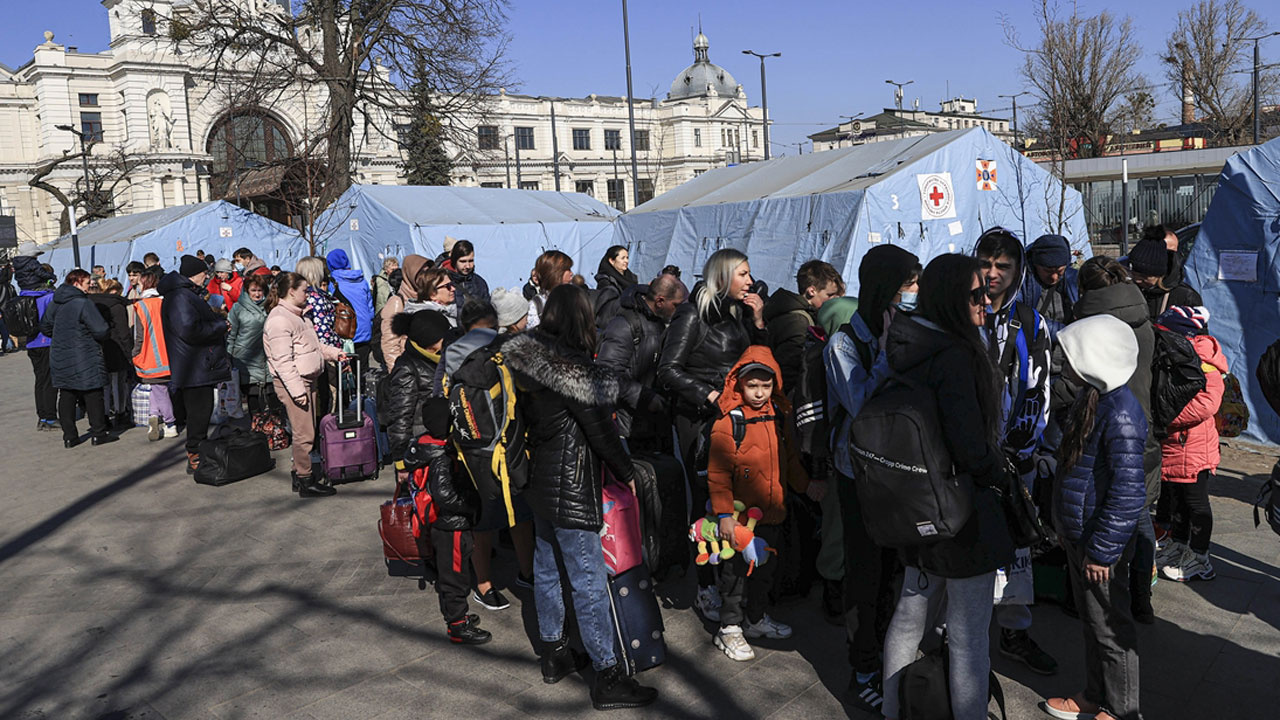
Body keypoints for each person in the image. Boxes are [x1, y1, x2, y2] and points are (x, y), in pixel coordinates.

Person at [498, 284, 656, 709]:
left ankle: (554, 653)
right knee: (588, 581)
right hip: (571, 487)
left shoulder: (530, 359)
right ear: (583, 319)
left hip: (540, 483)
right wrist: (628, 474)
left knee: (547, 570)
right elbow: (601, 433)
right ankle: (607, 674)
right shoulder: (572, 370)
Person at [879, 254, 1015, 720]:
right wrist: (997, 474)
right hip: (960, 511)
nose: (987, 301)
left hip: (914, 504)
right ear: (952, 299)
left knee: (910, 615)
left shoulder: (905, 343)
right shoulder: (956, 356)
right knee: (969, 633)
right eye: (977, 294)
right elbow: (970, 446)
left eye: (990, 292)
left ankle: (893, 711)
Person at [824, 244, 919, 713]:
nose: (912, 294)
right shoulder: (844, 343)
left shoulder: (905, 329)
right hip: (858, 471)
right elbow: (860, 401)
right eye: (906, 285)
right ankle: (861, 667)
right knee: (865, 573)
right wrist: (885, 354)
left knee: (895, 572)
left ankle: (889, 657)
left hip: (899, 470)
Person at [1044, 314, 1147, 720]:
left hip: (1100, 543)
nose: (1064, 364)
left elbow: (1128, 492)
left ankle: (1122, 710)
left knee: (1111, 628)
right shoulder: (1094, 399)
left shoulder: (1120, 413)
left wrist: (1103, 551)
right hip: (1081, 534)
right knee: (1093, 623)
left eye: (1073, 356)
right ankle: (1095, 694)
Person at [657, 247, 767, 622]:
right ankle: (706, 586)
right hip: (700, 421)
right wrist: (709, 394)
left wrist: (758, 320)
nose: (749, 281)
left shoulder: (738, 313)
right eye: (743, 274)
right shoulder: (692, 314)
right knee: (707, 502)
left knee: (735, 502)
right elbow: (667, 369)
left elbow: (754, 360)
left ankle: (735, 588)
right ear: (722, 277)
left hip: (735, 419)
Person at [973, 227, 1057, 676]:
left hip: (1013, 459)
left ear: (1018, 271)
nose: (992, 274)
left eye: (1002, 266)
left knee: (1016, 551)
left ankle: (1014, 632)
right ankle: (955, 636)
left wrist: (1020, 451)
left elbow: (1038, 390)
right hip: (965, 458)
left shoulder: (1031, 322)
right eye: (986, 264)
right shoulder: (959, 313)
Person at [706, 346, 813, 661]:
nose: (759, 392)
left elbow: (789, 459)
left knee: (765, 572)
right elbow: (718, 474)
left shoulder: (778, 415)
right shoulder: (729, 422)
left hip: (772, 515)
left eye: (766, 385)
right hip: (739, 522)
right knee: (734, 576)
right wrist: (724, 515)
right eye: (752, 385)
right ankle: (729, 629)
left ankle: (754, 620)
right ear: (738, 383)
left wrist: (807, 486)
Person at [1072, 257, 1160, 623]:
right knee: (1138, 517)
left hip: (1108, 428)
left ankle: (1118, 602)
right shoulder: (1142, 315)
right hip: (1145, 427)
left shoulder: (1092, 326)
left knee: (1116, 512)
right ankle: (1142, 599)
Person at [433, 300, 537, 607]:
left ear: (464, 326)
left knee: (482, 519)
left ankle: (484, 583)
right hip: (513, 444)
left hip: (471, 450)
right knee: (520, 513)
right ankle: (528, 573)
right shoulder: (509, 347)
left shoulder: (451, 355)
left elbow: (439, 402)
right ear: (495, 321)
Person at [402, 397, 490, 644]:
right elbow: (444, 494)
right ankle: (457, 625)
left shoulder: (429, 446)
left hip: (445, 524)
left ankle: (457, 615)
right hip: (451, 524)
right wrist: (470, 505)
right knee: (455, 576)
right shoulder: (441, 456)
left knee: (453, 572)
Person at [1155, 305, 1225, 583]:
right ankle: (1179, 546)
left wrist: (1167, 416)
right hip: (1175, 443)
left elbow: (1207, 402)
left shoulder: (1204, 361)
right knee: (1176, 501)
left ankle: (1200, 558)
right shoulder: (1173, 355)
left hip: (1195, 446)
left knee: (1196, 503)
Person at [263, 272, 343, 497]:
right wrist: (298, 391)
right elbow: (282, 361)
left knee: (306, 430)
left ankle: (300, 474)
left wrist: (336, 354)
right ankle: (305, 480)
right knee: (304, 433)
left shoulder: (300, 316)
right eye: (305, 290)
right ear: (291, 292)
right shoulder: (280, 320)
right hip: (296, 382)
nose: (308, 294)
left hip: (307, 379)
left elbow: (313, 347)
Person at [596, 274, 689, 450]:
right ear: (660, 301)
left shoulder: (662, 323)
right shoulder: (625, 325)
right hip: (631, 427)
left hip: (657, 423)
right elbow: (606, 373)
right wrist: (646, 397)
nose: (680, 311)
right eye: (676, 305)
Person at [160, 254, 232, 474]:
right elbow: (189, 329)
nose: (206, 278)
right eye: (204, 274)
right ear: (195, 275)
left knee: (200, 410)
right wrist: (219, 327)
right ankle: (195, 456)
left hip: (195, 362)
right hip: (193, 364)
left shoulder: (185, 294)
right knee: (199, 413)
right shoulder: (181, 296)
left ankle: (198, 453)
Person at [42, 269, 116, 448]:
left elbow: (45, 327)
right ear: (76, 283)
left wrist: (63, 336)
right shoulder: (83, 303)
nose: (90, 284)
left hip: (60, 353)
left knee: (66, 393)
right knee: (92, 392)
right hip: (84, 352)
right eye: (87, 281)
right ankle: (98, 433)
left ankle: (69, 436)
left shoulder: (56, 302)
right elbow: (101, 330)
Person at [764, 259, 845, 394]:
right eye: (829, 295)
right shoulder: (798, 321)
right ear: (812, 291)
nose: (833, 301)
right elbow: (790, 367)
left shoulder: (799, 315)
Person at [386, 309, 452, 463]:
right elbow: (400, 416)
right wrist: (401, 460)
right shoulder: (407, 368)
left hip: (441, 440)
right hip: (420, 445)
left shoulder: (444, 359)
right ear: (430, 341)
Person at [130, 266, 178, 440]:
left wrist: (134, 354)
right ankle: (154, 416)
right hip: (169, 354)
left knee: (158, 389)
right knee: (159, 389)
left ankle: (169, 422)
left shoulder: (141, 306)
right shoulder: (165, 302)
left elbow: (139, 336)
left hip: (149, 356)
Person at [13, 257, 59, 430]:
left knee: (40, 380)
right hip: (47, 342)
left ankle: (42, 417)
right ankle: (50, 416)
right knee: (50, 381)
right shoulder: (48, 297)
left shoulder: (24, 295)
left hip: (32, 342)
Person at [296, 256, 341, 413]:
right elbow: (323, 330)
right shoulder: (317, 298)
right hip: (323, 352)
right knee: (328, 396)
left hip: (305, 351)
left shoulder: (301, 297)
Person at [1126, 230, 1202, 321]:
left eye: (1145, 277)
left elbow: (1199, 332)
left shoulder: (1186, 297)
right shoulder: (1128, 290)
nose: (1138, 280)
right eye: (1135, 274)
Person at [89, 278, 135, 428]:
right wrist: (130, 352)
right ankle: (121, 414)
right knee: (119, 383)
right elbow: (123, 332)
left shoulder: (90, 304)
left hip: (98, 348)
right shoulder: (117, 306)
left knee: (105, 385)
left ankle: (104, 416)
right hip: (117, 348)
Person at [226, 274, 272, 414]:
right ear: (246, 291)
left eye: (260, 290)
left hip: (268, 358)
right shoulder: (237, 308)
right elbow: (231, 336)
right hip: (245, 359)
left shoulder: (270, 307)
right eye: (253, 290)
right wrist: (228, 357)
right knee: (253, 399)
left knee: (271, 397)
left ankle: (273, 431)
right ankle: (255, 430)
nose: (257, 294)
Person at [1019, 233, 1079, 341]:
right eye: (1048, 271)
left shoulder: (1073, 279)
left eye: (1060, 271)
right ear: (1035, 264)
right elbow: (1022, 317)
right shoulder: (1022, 281)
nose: (1054, 277)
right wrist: (1067, 333)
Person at [379, 254, 430, 371]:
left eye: (428, 273)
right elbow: (390, 344)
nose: (426, 277)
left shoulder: (428, 298)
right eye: (421, 273)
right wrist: (398, 374)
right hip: (409, 370)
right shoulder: (398, 301)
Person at [326, 248, 377, 366]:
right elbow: (370, 309)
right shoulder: (361, 280)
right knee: (362, 369)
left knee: (343, 373)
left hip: (345, 331)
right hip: (364, 330)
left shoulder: (332, 282)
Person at [526, 250, 574, 330]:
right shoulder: (537, 305)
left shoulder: (574, 298)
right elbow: (533, 338)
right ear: (556, 272)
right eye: (568, 269)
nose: (571, 273)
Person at [443, 240, 490, 310]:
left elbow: (487, 310)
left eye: (471, 261)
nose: (468, 266)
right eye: (463, 261)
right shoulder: (444, 282)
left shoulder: (480, 283)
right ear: (455, 261)